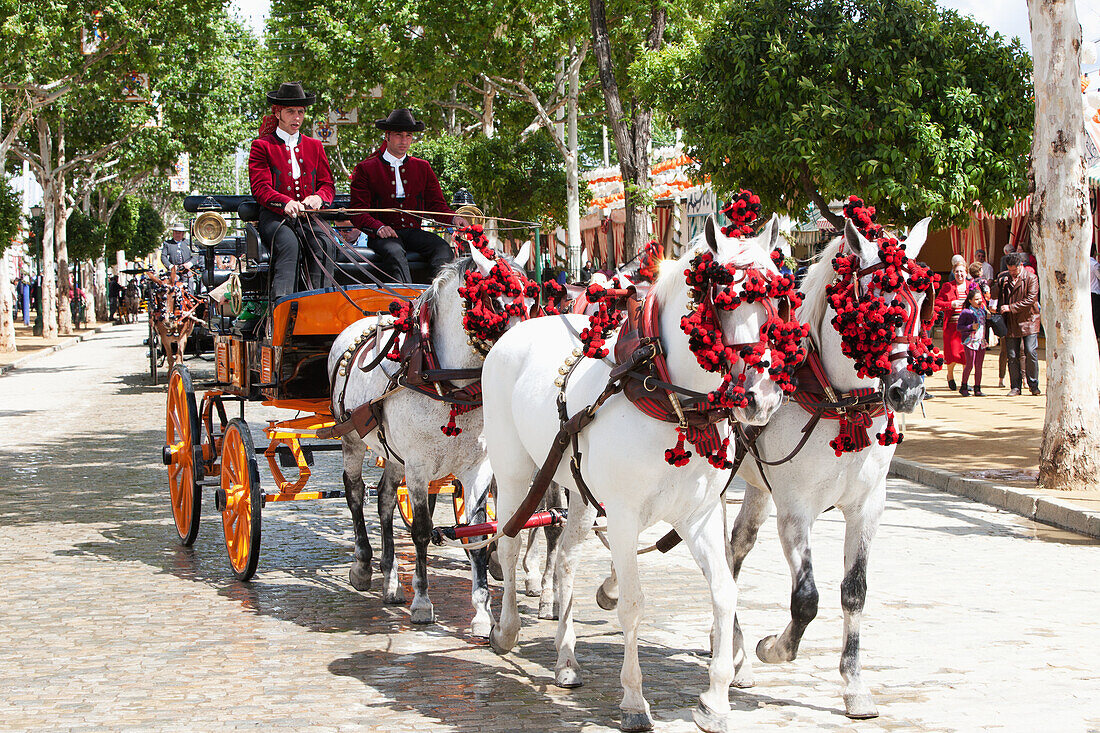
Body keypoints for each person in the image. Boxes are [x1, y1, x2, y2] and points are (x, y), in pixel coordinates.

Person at [349, 108, 468, 283]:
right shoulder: (366, 169)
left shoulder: (422, 167)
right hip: (382, 236)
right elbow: (358, 211)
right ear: (387, 136)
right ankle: (406, 302)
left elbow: (435, 205)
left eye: (408, 136)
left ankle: (437, 297)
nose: (404, 141)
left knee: (442, 249)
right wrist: (378, 227)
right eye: (399, 135)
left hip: (413, 232)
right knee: (395, 252)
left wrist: (453, 218)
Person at [248, 81, 336, 299]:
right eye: (291, 112)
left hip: (309, 217)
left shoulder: (315, 146)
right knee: (289, 246)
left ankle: (320, 308)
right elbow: (260, 188)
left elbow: (327, 185)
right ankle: (283, 313)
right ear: (277, 113)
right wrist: (285, 203)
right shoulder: (262, 146)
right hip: (276, 217)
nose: (297, 117)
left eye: (301, 112)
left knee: (325, 244)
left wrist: (318, 198)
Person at [996, 252, 1041, 396]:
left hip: (1029, 320)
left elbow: (1031, 299)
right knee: (1012, 354)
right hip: (1011, 322)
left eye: (1014, 270)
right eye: (1009, 270)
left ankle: (1033, 384)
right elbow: (1000, 298)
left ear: (1021, 266)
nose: (1012, 273)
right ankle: (1015, 386)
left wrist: (1011, 307)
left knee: (1030, 351)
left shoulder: (1031, 278)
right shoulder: (1005, 279)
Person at [935, 260, 970, 391]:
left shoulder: (972, 286)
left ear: (966, 273)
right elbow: (937, 302)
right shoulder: (948, 286)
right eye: (957, 272)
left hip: (968, 328)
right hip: (952, 327)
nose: (959, 274)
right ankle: (950, 376)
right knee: (953, 355)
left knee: (967, 355)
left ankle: (965, 381)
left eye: (962, 271)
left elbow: (981, 301)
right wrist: (950, 304)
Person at [956, 284, 988, 396]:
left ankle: (977, 388)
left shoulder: (983, 311)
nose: (979, 301)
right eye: (976, 299)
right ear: (970, 300)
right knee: (969, 364)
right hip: (970, 341)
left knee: (979, 365)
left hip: (981, 340)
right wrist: (970, 327)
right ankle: (964, 386)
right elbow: (959, 327)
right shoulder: (966, 312)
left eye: (980, 298)